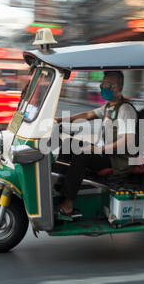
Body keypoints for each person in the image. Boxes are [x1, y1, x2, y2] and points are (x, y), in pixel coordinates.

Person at [54, 71, 137, 218]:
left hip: (117, 158)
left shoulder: (126, 110)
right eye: (103, 85)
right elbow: (87, 115)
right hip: (105, 152)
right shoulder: (108, 107)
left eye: (109, 85)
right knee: (69, 143)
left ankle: (68, 204)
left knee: (81, 155)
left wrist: (98, 148)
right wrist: (59, 119)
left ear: (120, 87)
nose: (104, 88)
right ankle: (59, 186)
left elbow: (128, 140)